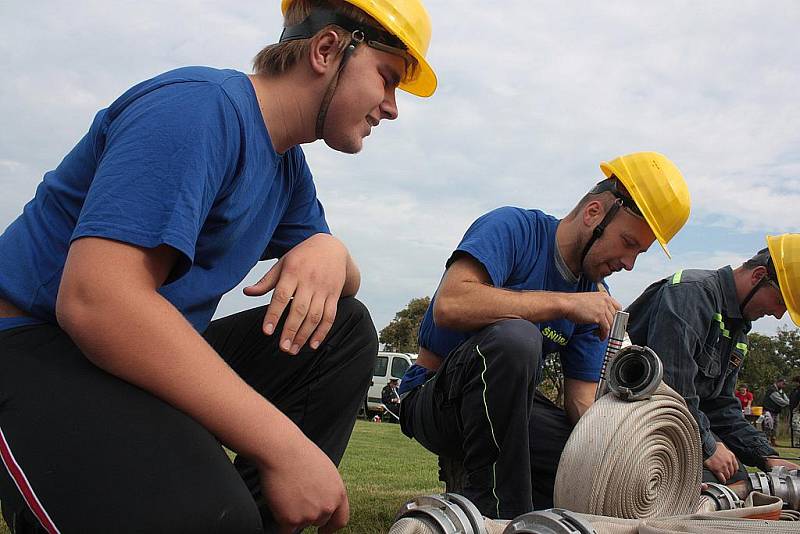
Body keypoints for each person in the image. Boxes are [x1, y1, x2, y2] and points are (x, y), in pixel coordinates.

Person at [0, 0, 437, 532]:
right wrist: (286, 448)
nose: (391, 107)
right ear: (326, 50)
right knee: (205, 516)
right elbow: (96, 301)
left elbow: (346, 282)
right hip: (34, 341)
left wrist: (329, 249)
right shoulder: (198, 108)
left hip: (121, 352)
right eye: (387, 79)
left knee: (344, 329)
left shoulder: (286, 171)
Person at [399, 152, 691, 519]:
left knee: (583, 463)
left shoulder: (591, 294)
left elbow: (581, 404)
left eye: (639, 253)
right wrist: (564, 304)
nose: (629, 263)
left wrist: (621, 460)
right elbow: (451, 303)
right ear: (594, 214)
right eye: (628, 242)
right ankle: (496, 512)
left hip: (512, 406)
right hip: (432, 395)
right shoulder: (513, 228)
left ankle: (507, 497)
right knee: (516, 338)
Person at [626, 234, 800, 485]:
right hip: (635, 426)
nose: (777, 313)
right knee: (722, 484)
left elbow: (721, 406)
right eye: (781, 301)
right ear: (759, 275)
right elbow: (671, 388)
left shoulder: (737, 327)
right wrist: (709, 446)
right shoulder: (690, 293)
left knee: (742, 478)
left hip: (675, 429)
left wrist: (766, 456)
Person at [762, 377, 791, 446]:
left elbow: (786, 400)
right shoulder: (772, 390)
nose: (784, 386)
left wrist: (789, 402)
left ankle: (773, 441)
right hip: (768, 411)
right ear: (778, 382)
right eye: (783, 384)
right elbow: (780, 401)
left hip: (776, 411)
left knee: (775, 426)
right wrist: (790, 403)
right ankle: (766, 441)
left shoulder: (780, 391)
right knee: (768, 426)